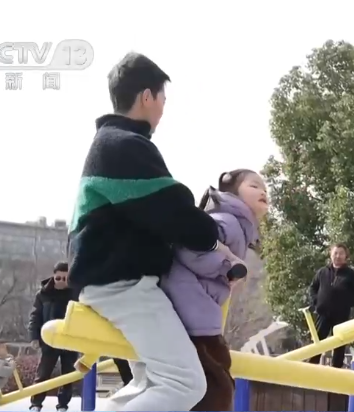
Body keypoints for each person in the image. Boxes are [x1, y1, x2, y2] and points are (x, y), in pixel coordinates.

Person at [67, 52, 235, 411]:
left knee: (149, 383)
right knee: (186, 382)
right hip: (121, 285)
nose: (162, 109)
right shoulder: (123, 146)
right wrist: (216, 241)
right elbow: (174, 213)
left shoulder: (112, 144)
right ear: (147, 96)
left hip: (113, 281)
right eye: (162, 99)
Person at [161, 169, 269, 411]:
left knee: (208, 387)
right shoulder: (227, 221)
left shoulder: (240, 226)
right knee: (216, 388)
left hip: (196, 311)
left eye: (265, 188)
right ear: (234, 194)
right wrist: (226, 267)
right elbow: (191, 245)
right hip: (191, 312)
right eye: (254, 186)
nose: (263, 191)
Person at [27, 262, 78, 412]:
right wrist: (34, 337)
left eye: (65, 278)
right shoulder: (44, 293)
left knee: (68, 375)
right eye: (58, 278)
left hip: (70, 340)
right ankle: (36, 403)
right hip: (49, 339)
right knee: (43, 373)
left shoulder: (76, 293)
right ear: (53, 277)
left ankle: (63, 405)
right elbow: (35, 316)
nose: (61, 281)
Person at [308, 243, 354, 368]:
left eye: (341, 253)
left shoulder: (350, 274)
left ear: (345, 256)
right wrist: (316, 302)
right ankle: (310, 368)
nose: (338, 256)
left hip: (341, 316)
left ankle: (336, 369)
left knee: (339, 344)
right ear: (331, 255)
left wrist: (346, 303)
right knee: (317, 342)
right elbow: (312, 288)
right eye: (335, 253)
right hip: (323, 313)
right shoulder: (322, 272)